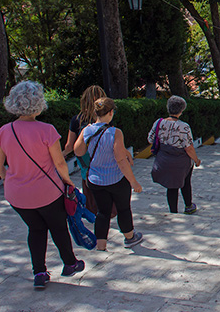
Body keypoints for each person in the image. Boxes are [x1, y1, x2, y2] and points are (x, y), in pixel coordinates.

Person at [0, 81, 84, 289]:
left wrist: (9, 179)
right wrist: (68, 181)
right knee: (58, 227)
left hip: (17, 195)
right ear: (38, 103)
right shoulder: (47, 130)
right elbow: (59, 162)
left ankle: (39, 273)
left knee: (35, 229)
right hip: (46, 192)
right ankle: (70, 263)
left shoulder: (4, 131)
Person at [74, 97, 144, 251]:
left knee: (102, 212)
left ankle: (101, 244)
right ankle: (129, 237)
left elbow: (78, 151)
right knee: (123, 208)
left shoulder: (87, 130)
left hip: (95, 179)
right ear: (111, 112)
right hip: (116, 179)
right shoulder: (115, 132)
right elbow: (120, 159)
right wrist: (133, 181)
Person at [63, 85, 111, 216]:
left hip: (87, 166)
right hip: (105, 165)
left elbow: (69, 146)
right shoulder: (106, 118)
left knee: (90, 197)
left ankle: (94, 218)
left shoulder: (77, 120)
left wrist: (61, 156)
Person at [148, 96, 202, 214]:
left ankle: (173, 211)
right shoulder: (184, 126)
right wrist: (196, 160)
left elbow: (150, 139)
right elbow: (189, 147)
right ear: (181, 110)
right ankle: (188, 206)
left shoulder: (159, 122)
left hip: (164, 158)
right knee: (185, 182)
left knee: (171, 185)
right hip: (181, 160)